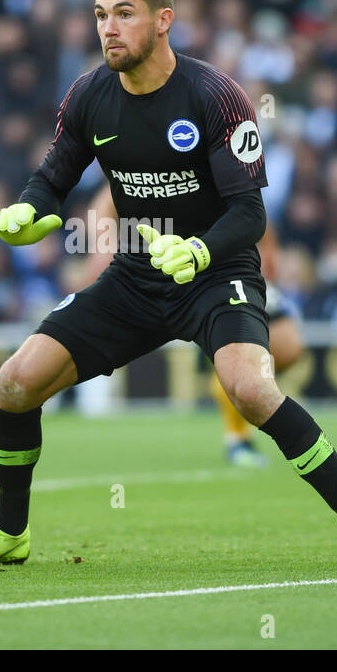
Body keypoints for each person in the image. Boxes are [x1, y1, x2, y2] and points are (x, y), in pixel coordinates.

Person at [0, 0, 337, 573]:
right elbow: (54, 176)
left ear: (163, 20)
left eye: (124, 13)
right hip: (135, 277)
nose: (109, 28)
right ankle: (9, 533)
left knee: (253, 389)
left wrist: (202, 250)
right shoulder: (88, 96)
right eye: (101, 15)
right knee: (15, 384)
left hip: (217, 273)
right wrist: (28, 209)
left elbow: (249, 212)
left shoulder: (216, 97)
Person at [83, 185, 305, 466]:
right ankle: (237, 439)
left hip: (227, 261)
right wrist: (102, 247)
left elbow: (246, 202)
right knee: (263, 352)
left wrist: (270, 249)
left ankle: (228, 389)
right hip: (166, 273)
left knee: (287, 348)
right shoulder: (131, 164)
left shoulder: (203, 151)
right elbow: (104, 207)